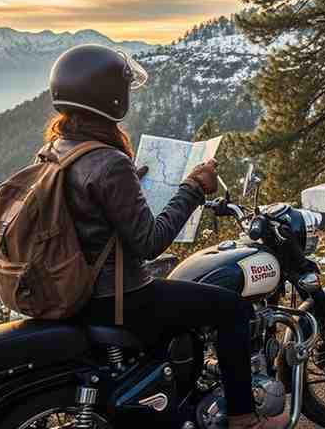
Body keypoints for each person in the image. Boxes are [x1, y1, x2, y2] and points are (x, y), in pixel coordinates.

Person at [43, 44, 287, 429]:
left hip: (79, 293)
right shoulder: (107, 161)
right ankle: (242, 415)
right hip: (119, 298)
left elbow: (91, 212)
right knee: (232, 310)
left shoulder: (59, 148)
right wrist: (192, 187)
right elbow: (150, 242)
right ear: (112, 98)